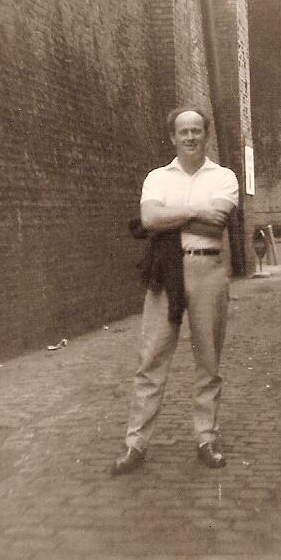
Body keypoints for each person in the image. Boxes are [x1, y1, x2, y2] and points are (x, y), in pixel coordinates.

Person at [111, 107, 239, 476]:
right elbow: (149, 219)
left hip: (207, 268)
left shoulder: (224, 176)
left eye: (196, 130)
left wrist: (173, 214)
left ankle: (206, 438)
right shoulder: (157, 177)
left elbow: (217, 225)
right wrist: (197, 210)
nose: (190, 137)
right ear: (172, 137)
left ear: (206, 134)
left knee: (208, 360)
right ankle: (135, 443)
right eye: (183, 131)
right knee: (151, 358)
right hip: (165, 271)